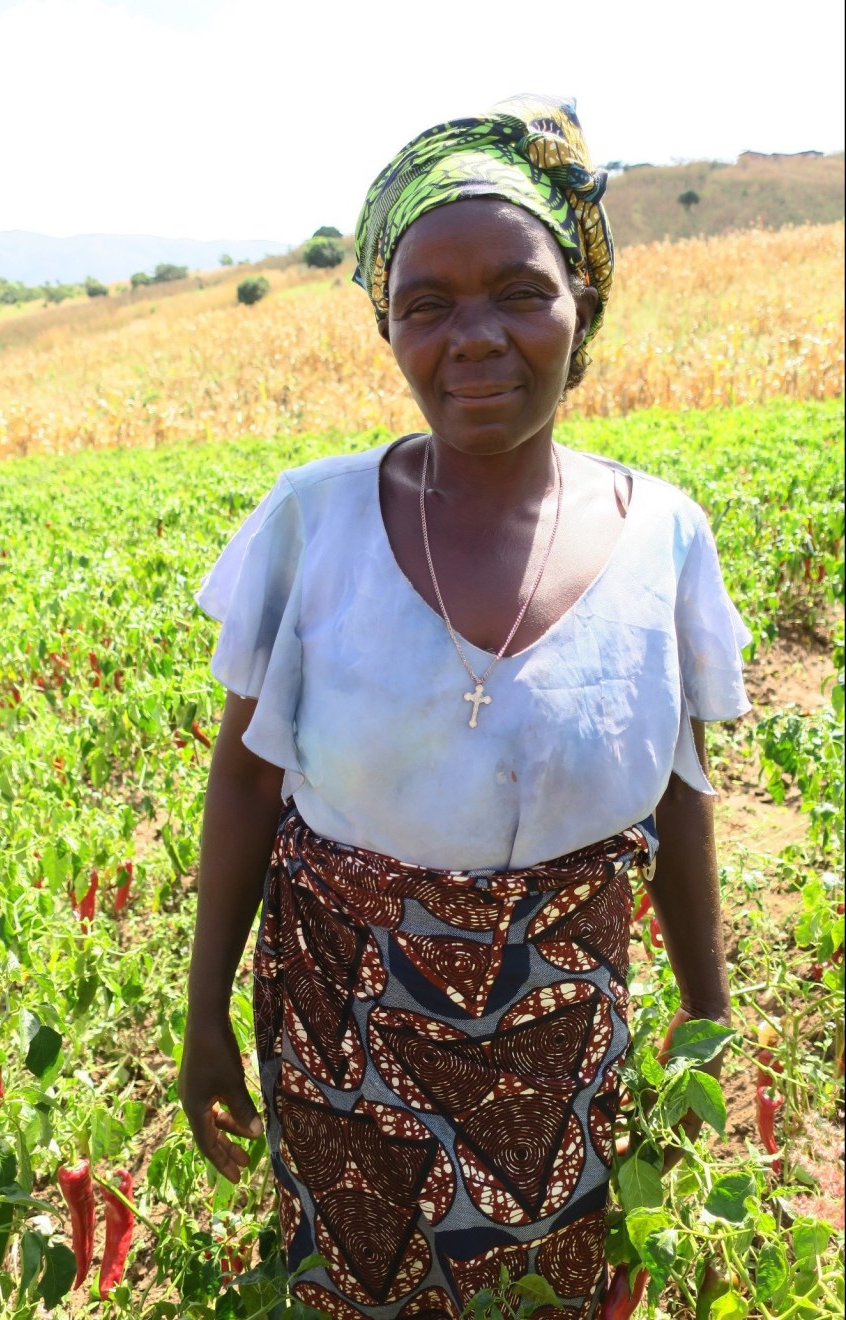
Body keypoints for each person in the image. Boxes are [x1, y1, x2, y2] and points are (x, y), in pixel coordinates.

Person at [179, 94, 750, 1318]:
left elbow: (680, 795)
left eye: (520, 292)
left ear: (581, 303)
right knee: (356, 1280)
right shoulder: (313, 521)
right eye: (426, 303)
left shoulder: (664, 536)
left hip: (568, 1033)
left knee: (554, 1281)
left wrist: (706, 1013)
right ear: (387, 326)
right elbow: (246, 777)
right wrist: (203, 1011)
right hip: (344, 1026)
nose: (474, 337)